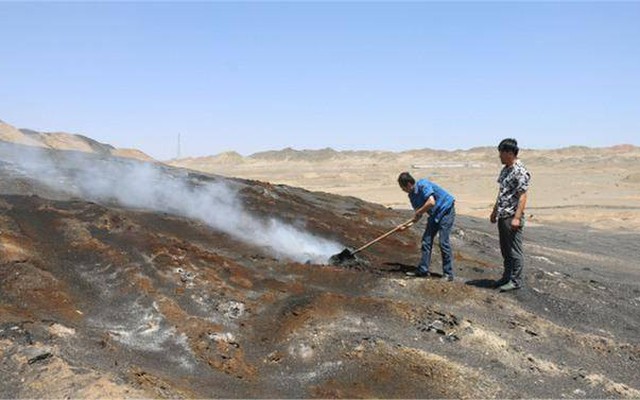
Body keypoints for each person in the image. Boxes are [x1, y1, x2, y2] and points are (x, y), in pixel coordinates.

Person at [398, 172, 456, 281]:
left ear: (409, 184)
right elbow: (417, 216)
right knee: (426, 241)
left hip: (446, 210)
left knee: (443, 242)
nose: (403, 190)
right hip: (434, 215)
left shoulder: (423, 184)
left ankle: (448, 274)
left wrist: (419, 211)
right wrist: (406, 226)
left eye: (403, 188)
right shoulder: (412, 196)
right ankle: (423, 270)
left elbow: (431, 202)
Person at [490, 138, 531, 292]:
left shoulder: (520, 171)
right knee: (505, 249)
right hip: (503, 215)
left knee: (514, 250)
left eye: (501, 153)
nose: (499, 156)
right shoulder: (506, 169)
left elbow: (522, 196)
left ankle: (516, 280)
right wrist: (494, 211)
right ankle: (506, 277)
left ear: (508, 153)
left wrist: (517, 218)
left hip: (512, 216)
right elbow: (502, 193)